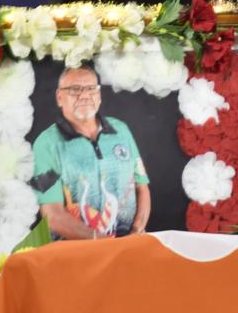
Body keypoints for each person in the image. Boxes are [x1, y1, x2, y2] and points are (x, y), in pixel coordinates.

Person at [30, 65, 151, 239]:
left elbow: (142, 187)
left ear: (99, 96)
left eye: (90, 89)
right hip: (75, 254)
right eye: (74, 89)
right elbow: (52, 215)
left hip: (128, 246)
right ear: (59, 97)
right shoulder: (45, 144)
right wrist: (101, 242)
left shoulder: (121, 131)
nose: (85, 95)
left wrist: (136, 230)